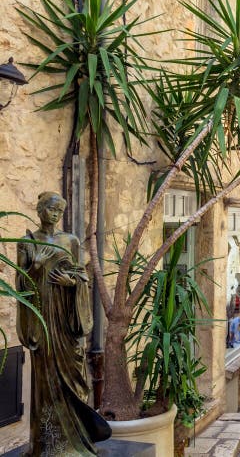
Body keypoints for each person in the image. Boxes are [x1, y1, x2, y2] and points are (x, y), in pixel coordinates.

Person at [16, 192, 110, 454]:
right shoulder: (28, 241)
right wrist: (36, 266)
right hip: (42, 320)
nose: (55, 214)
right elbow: (20, 284)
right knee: (46, 379)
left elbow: (81, 275)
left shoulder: (71, 240)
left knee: (75, 376)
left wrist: (73, 284)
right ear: (39, 209)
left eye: (59, 210)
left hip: (66, 320)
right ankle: (48, 443)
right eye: (51, 209)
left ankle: (76, 440)